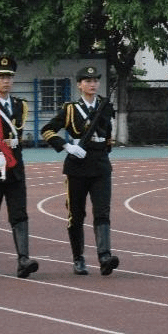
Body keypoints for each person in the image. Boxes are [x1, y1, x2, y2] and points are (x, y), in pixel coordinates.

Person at [41, 65, 118, 276]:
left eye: (95, 81)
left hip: (100, 164)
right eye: (88, 81)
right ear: (79, 85)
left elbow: (107, 136)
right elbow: (47, 130)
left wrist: (102, 150)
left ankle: (104, 256)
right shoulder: (70, 109)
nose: (92, 84)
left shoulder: (105, 106)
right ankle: (78, 258)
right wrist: (67, 146)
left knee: (102, 211)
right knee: (76, 214)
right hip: (77, 166)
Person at [0, 55, 39, 278]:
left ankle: (23, 259)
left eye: (9, 77)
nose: (6, 81)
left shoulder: (20, 105)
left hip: (14, 167)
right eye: (1, 77)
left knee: (19, 213)